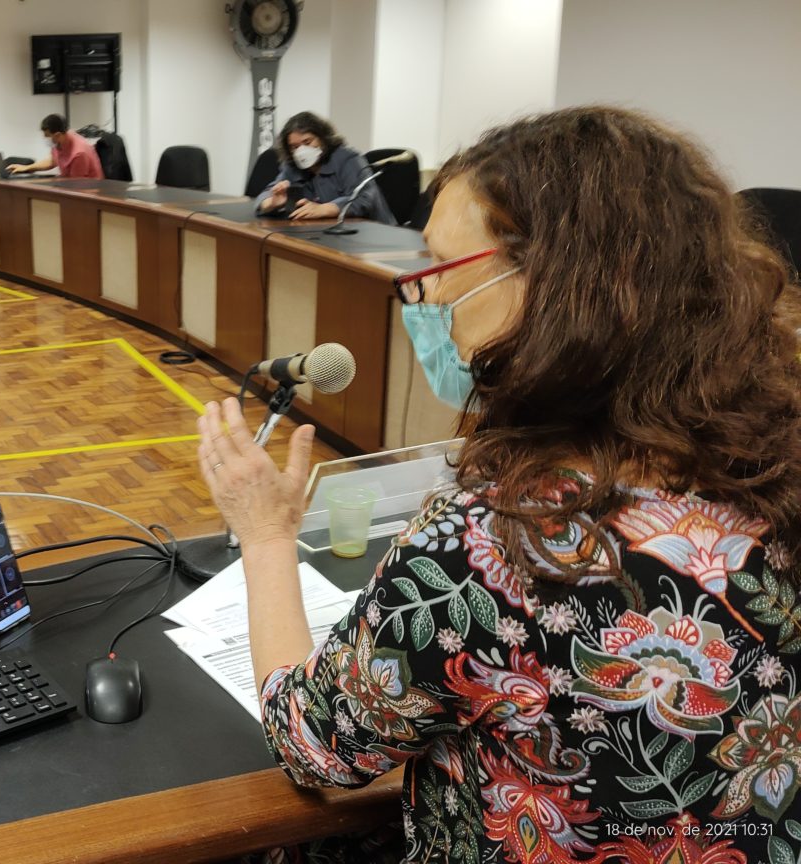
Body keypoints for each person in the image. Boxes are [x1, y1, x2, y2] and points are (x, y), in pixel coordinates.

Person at [199, 106, 801, 861]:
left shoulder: (490, 546)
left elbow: (313, 745)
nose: (430, 309)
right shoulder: (775, 467)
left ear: (559, 287)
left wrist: (264, 532)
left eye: (443, 275)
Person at [254, 111, 395, 224]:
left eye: (307, 142)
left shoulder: (349, 159)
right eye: (294, 147)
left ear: (322, 138)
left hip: (372, 234)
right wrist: (272, 203)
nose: (301, 151)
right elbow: (267, 193)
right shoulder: (292, 165)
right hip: (325, 233)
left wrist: (325, 209)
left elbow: (364, 199)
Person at [7, 114, 102, 180]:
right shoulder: (60, 141)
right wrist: (26, 168)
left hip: (89, 194)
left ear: (57, 135)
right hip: (71, 184)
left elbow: (76, 185)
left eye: (47, 136)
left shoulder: (79, 153)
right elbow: (52, 161)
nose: (45, 138)